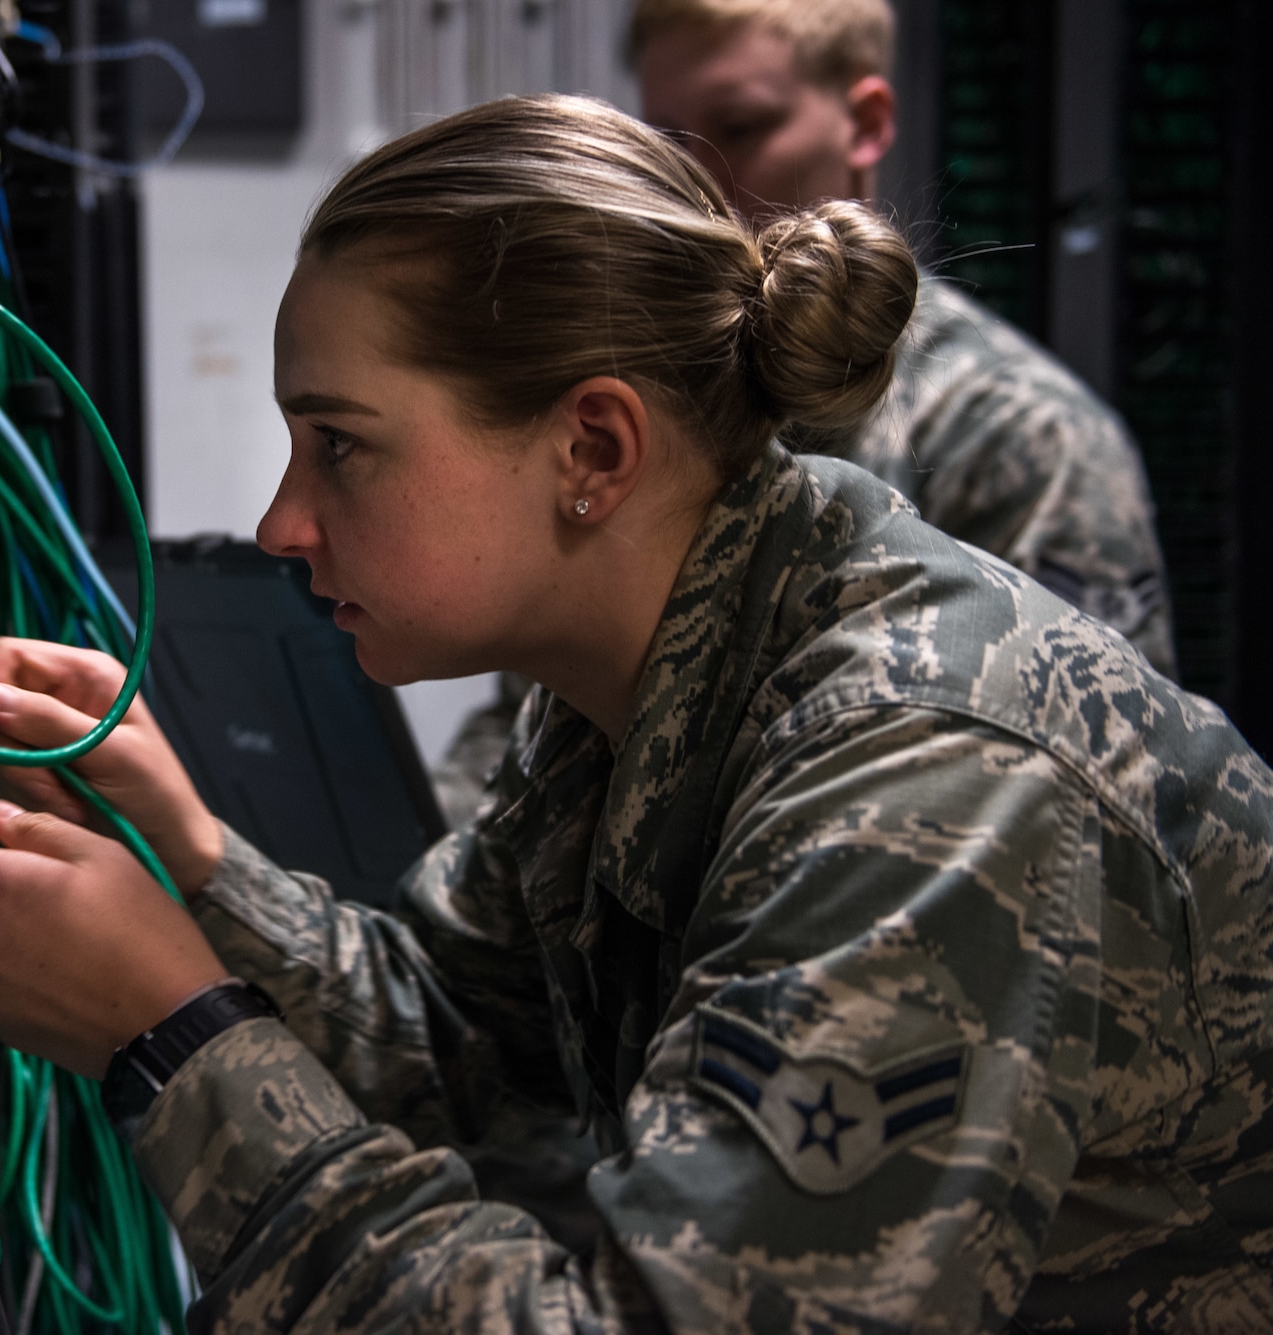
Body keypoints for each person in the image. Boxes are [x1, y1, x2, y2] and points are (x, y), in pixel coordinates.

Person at [0, 97, 1273, 1330]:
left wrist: (170, 1034)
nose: (282, 522)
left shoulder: (929, 775)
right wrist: (197, 867)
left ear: (591, 448)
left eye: (340, 444)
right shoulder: (641, 674)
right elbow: (472, 1054)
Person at [430, 0, 1178, 828]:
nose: (697, 190)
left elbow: (1092, 799)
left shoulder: (1023, 440)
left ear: (865, 124)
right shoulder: (637, 410)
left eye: (740, 129)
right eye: (671, 146)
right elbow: (534, 728)